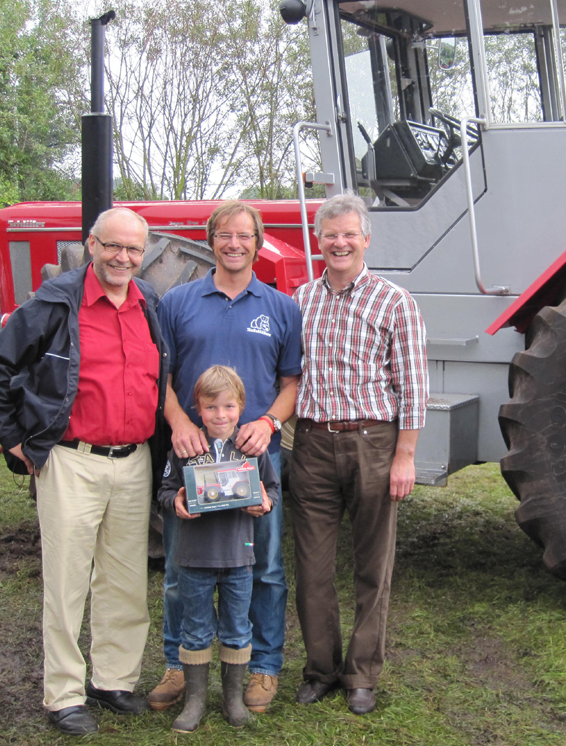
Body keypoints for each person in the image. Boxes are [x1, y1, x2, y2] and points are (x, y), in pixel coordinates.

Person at [0, 208, 167, 736]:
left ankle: (114, 679)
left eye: (133, 249)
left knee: (125, 578)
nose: (123, 257)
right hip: (71, 459)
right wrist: (14, 440)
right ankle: (63, 694)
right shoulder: (56, 303)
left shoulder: (151, 307)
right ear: (92, 245)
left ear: (143, 253)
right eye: (113, 246)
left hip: (134, 460)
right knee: (67, 580)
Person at [150, 200, 301, 715]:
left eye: (244, 235)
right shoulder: (178, 302)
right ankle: (177, 663)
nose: (234, 244)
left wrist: (268, 423)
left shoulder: (282, 308)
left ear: (259, 242)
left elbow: (291, 384)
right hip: (194, 461)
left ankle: (262, 668)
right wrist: (179, 422)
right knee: (179, 567)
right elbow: (161, 379)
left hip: (256, 462)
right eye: (224, 235)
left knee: (265, 568)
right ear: (210, 239)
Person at [291, 193, 428, 715]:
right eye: (330, 234)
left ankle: (363, 673)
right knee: (312, 566)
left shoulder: (394, 302)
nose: (339, 242)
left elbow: (413, 387)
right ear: (318, 240)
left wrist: (405, 455)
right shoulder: (300, 301)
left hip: (373, 443)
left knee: (374, 564)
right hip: (312, 445)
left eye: (349, 234)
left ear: (365, 240)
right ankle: (321, 669)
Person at [157, 365, 280, 732]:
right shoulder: (186, 448)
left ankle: (232, 700)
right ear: (197, 408)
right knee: (194, 629)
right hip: (194, 557)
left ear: (240, 407)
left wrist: (264, 502)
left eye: (228, 407)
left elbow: (272, 490)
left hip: (239, 556)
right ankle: (195, 701)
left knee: (237, 628)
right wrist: (176, 500)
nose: (220, 415)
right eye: (211, 408)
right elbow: (164, 491)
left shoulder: (251, 450)